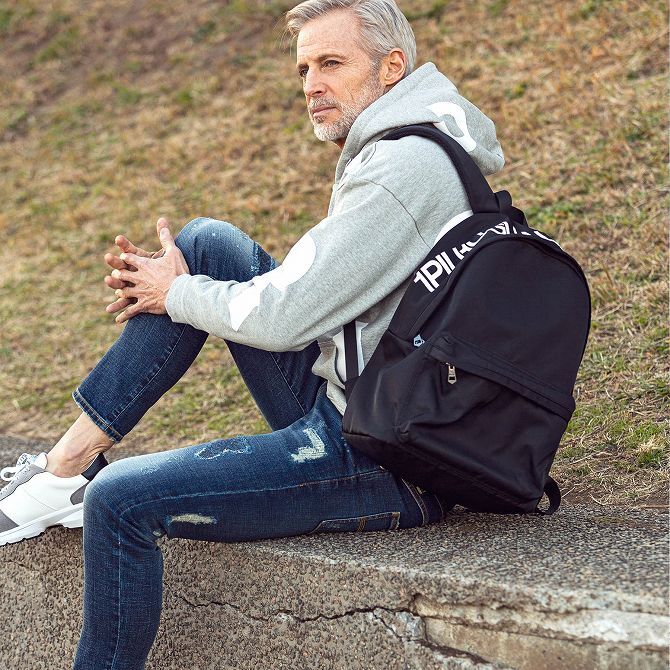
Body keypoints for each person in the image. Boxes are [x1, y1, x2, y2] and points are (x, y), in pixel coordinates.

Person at [0, 0, 505, 667]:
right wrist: (179, 286)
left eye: (331, 63)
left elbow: (289, 316)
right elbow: (312, 301)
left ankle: (72, 482)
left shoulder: (404, 171)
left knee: (119, 501)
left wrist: (175, 294)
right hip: (372, 406)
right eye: (303, 69)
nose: (312, 85)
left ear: (391, 68)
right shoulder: (412, 145)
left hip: (389, 459)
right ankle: (65, 467)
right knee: (206, 244)